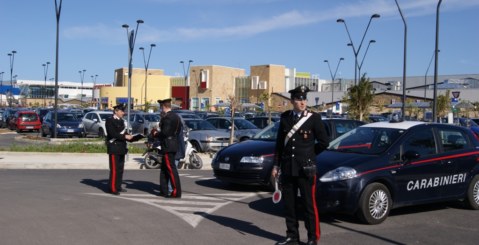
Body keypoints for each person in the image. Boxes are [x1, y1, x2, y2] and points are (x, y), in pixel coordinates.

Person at [271, 85, 329, 245]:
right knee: (289, 205)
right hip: (288, 168)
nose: (302, 102)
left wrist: (310, 155)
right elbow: (279, 145)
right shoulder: (285, 118)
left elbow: (324, 142)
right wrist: (276, 166)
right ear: (292, 101)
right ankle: (292, 236)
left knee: (309, 205)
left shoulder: (314, 118)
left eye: (304, 99)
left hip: (306, 169)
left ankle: (312, 238)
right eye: (299, 99)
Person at [155, 98, 182, 198]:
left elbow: (165, 132)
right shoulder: (176, 117)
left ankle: (176, 192)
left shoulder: (168, 118)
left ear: (164, 107)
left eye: (161, 107)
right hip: (173, 143)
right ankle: (164, 190)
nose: (160, 110)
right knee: (164, 169)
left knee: (171, 169)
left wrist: (156, 133)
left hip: (168, 145)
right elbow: (178, 131)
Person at [105, 103, 133, 195]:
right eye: (121, 111)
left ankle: (118, 186)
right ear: (116, 111)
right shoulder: (110, 121)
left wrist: (131, 137)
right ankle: (112, 188)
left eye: (123, 111)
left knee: (120, 169)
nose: (123, 113)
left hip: (121, 147)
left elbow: (123, 133)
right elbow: (113, 134)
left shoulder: (122, 121)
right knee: (114, 169)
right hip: (114, 147)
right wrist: (125, 137)